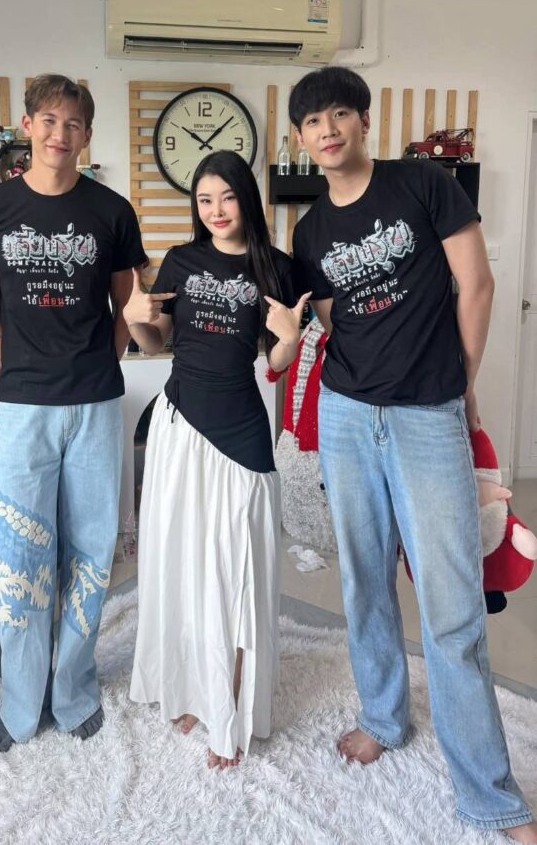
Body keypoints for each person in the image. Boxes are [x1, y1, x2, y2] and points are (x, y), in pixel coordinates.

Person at [289, 66, 537, 843]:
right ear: (299, 139)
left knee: (451, 601)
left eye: (339, 114)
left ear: (362, 121)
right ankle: (381, 717)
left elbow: (477, 285)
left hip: (427, 413)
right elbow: (332, 321)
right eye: (312, 122)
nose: (327, 130)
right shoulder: (309, 231)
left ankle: (489, 795)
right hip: (345, 413)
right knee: (363, 579)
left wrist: (460, 383)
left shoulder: (425, 185)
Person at [0, 74, 147, 751]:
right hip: (24, 406)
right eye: (48, 120)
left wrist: (99, 362)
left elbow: (127, 306)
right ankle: (20, 704)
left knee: (91, 551)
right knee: (19, 554)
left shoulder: (111, 211)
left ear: (86, 135)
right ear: (26, 126)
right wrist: (18, 373)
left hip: (95, 402)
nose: (59, 134)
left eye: (72, 124)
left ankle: (72, 691)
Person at [128, 150, 308, 769]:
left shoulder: (275, 267)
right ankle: (190, 688)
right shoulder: (181, 260)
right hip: (178, 425)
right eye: (204, 200)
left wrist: (290, 341)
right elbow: (157, 340)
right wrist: (135, 320)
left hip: (240, 431)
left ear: (246, 198)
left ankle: (227, 699)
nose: (216, 211)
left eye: (227, 197)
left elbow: (275, 360)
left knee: (236, 572)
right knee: (182, 562)